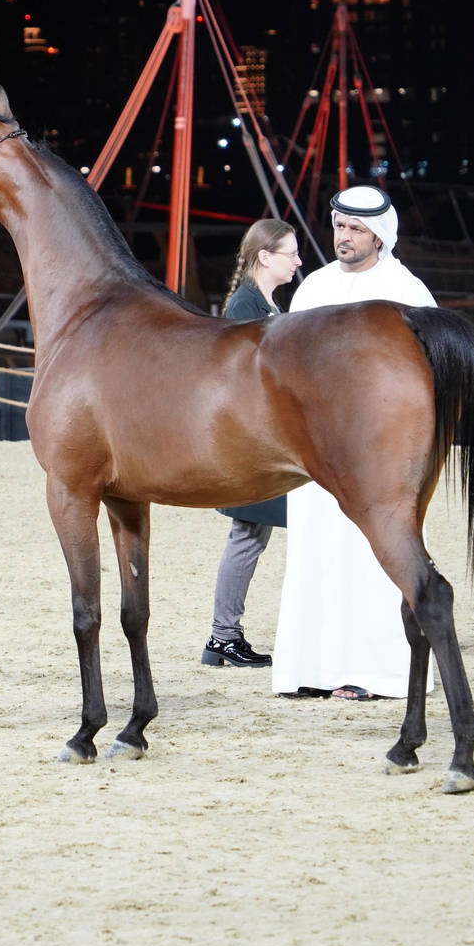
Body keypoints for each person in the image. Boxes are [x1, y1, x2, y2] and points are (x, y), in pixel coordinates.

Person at [271, 186, 435, 701]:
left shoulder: (407, 292)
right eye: (339, 226)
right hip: (313, 454)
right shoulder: (312, 288)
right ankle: (313, 670)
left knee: (372, 559)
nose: (343, 237)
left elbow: (428, 378)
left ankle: (373, 673)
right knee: (315, 556)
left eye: (356, 229)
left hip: (377, 456)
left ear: (379, 235)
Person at [201, 218, 301, 669]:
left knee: (250, 536)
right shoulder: (246, 306)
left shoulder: (263, 305)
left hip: (268, 443)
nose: (298, 261)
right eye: (290, 253)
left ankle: (223, 636)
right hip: (256, 443)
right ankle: (223, 635)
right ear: (265, 256)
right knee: (246, 536)